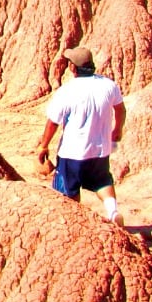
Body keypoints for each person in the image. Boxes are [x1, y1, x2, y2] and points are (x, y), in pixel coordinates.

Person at [36, 45, 126, 226]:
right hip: (101, 150)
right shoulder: (109, 85)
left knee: (69, 189)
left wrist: (44, 145)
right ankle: (112, 211)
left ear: (72, 67)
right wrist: (117, 130)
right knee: (102, 180)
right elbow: (120, 109)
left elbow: (53, 122)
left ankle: (75, 224)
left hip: (73, 152)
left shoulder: (67, 91)